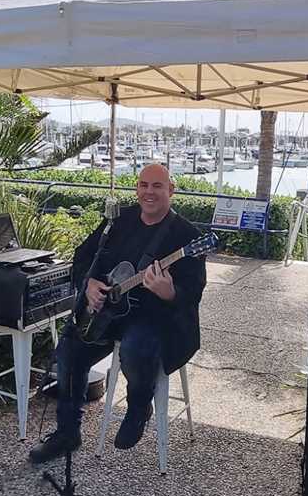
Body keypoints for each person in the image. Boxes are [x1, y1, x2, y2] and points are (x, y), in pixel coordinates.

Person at [29, 164, 207, 463]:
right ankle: (67, 432)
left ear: (171, 191)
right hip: (107, 313)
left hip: (157, 317)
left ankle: (138, 407)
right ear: (137, 188)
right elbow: (84, 256)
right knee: (70, 348)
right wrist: (89, 285)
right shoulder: (118, 221)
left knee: (136, 348)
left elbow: (193, 291)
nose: (149, 192)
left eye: (157, 186)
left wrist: (169, 292)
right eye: (143, 185)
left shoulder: (187, 237)